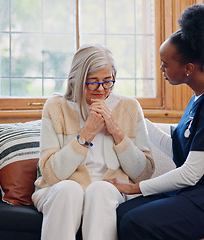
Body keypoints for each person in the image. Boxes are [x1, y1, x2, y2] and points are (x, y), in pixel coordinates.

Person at [107, 4, 204, 240]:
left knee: (135, 222)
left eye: (165, 64)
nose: (161, 69)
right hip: (196, 192)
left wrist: (136, 188)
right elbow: (176, 146)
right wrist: (134, 117)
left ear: (188, 68)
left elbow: (191, 173)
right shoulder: (199, 96)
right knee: (122, 212)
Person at [32, 43, 155, 240]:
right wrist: (86, 134)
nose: (102, 89)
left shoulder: (129, 107)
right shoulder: (56, 107)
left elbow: (144, 174)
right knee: (68, 189)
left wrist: (116, 132)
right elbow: (52, 174)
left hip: (109, 191)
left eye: (108, 81)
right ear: (77, 80)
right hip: (61, 189)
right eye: (93, 82)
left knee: (101, 189)